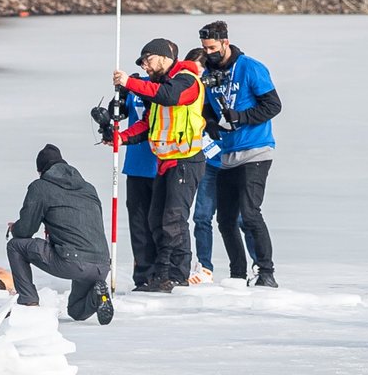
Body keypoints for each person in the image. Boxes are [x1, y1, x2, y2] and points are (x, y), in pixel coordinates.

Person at [111, 38, 206, 293]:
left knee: (173, 219)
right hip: (166, 161)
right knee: (155, 219)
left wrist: (130, 83)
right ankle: (156, 275)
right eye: (142, 63)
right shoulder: (159, 85)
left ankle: (172, 275)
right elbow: (147, 123)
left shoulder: (186, 80)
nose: (146, 67)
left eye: (148, 60)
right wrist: (121, 138)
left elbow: (169, 97)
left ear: (164, 57)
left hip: (187, 160)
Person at [199, 21, 281, 288]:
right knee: (225, 219)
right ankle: (237, 273)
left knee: (250, 213)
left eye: (212, 47)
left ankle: (266, 271)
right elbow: (207, 108)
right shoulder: (209, 74)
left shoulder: (250, 67)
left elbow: (273, 105)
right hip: (226, 155)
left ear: (225, 42)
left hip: (256, 151)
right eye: (204, 48)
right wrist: (210, 123)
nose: (208, 52)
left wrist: (241, 117)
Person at [6, 144, 114, 324]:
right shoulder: (89, 188)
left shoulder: (40, 186)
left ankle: (28, 303)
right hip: (101, 265)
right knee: (76, 311)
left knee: (15, 246)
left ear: (40, 170)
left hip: (72, 261)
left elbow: (26, 230)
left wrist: (14, 228)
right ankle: (98, 293)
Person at [183, 47, 256, 285]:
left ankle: (256, 265)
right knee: (202, 216)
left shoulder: (221, 89)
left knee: (242, 219)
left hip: (232, 160)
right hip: (206, 163)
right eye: (192, 69)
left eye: (200, 68)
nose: (197, 74)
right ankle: (204, 267)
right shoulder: (187, 92)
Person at [100, 68, 160, 291]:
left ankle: (162, 272)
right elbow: (120, 113)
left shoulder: (163, 86)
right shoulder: (133, 85)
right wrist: (115, 104)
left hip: (160, 163)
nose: (147, 67)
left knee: (160, 222)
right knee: (138, 223)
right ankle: (143, 274)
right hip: (135, 165)